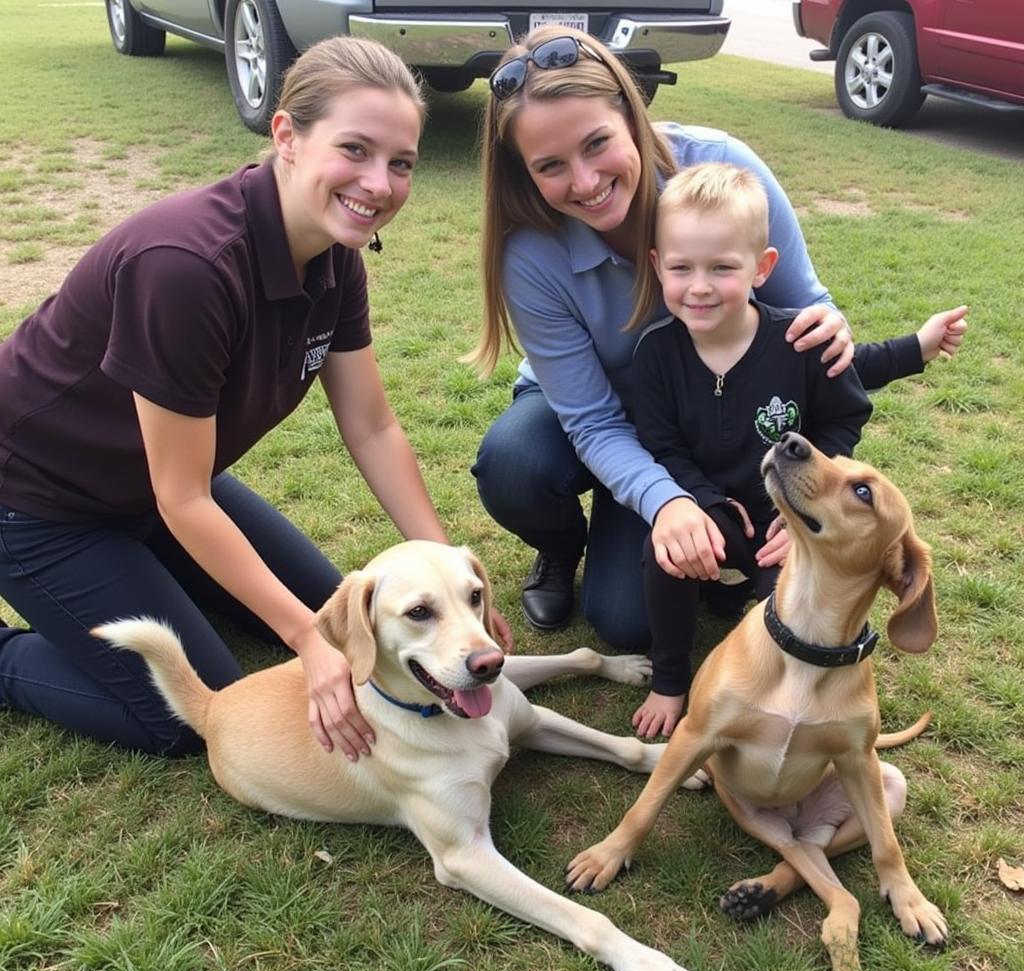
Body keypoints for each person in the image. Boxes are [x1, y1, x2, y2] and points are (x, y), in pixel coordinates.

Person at [0, 36, 509, 762]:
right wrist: (302, 640)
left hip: (157, 490)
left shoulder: (337, 257)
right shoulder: (187, 267)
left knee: (343, 630)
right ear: (286, 136)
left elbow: (370, 426)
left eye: (401, 163)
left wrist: (456, 594)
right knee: (190, 711)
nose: (379, 183)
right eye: (355, 150)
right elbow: (183, 497)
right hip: (42, 506)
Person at [469, 27, 946, 709]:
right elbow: (595, 419)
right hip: (606, 425)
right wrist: (665, 502)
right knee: (513, 462)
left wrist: (830, 328)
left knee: (623, 620)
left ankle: (706, 543)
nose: (584, 180)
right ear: (523, 171)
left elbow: (803, 317)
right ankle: (564, 543)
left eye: (598, 143)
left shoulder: (721, 167)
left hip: (712, 426)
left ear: (631, 113)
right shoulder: (530, 255)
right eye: (549, 166)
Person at [632, 162, 967, 737]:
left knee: (790, 611)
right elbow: (660, 443)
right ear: (658, 266)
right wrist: (706, 502)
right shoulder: (655, 353)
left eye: (723, 267)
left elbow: (848, 400)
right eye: (682, 268)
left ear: (762, 268)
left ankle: (791, 705)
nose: (701, 286)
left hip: (789, 521)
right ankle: (671, 678)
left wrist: (920, 347)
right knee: (664, 556)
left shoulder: (798, 339)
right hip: (711, 511)